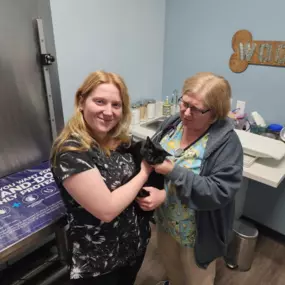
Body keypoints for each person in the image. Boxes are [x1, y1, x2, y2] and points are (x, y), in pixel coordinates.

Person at [137, 72, 244, 285]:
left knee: (197, 278)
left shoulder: (227, 144)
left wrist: (172, 171)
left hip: (197, 234)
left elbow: (219, 192)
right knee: (172, 269)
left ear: (215, 114)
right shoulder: (173, 123)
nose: (186, 113)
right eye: (184, 103)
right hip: (166, 222)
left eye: (195, 109)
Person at [50, 71, 153, 285]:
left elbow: (128, 185)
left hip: (132, 248)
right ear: (81, 102)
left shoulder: (118, 140)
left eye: (116, 105)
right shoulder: (71, 152)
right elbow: (107, 209)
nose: (108, 112)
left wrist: (158, 194)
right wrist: (145, 172)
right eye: (99, 102)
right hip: (99, 264)